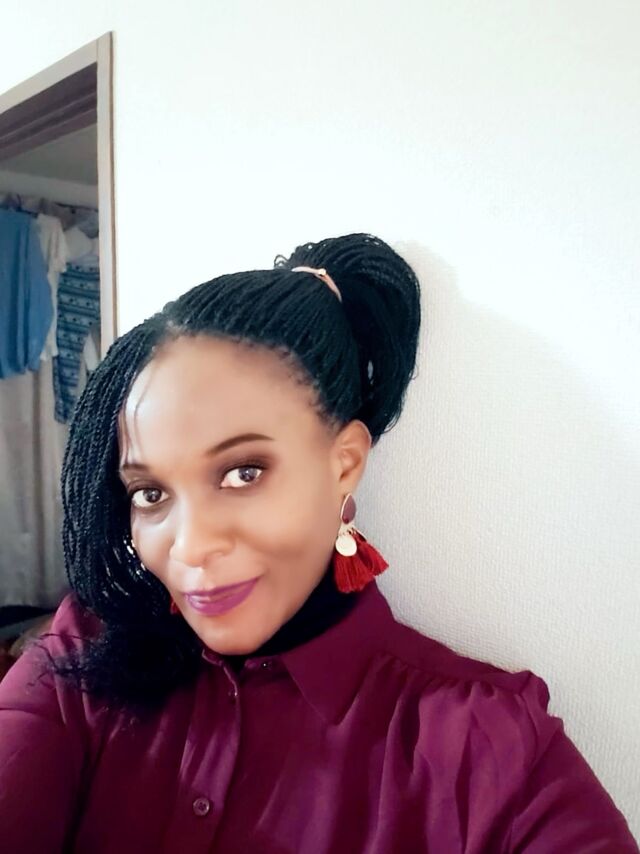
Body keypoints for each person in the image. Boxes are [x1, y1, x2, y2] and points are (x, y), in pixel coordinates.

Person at [0, 234, 636, 853]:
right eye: (150, 493)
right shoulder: (81, 660)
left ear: (344, 464)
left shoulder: (486, 750)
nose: (190, 546)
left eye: (243, 472)